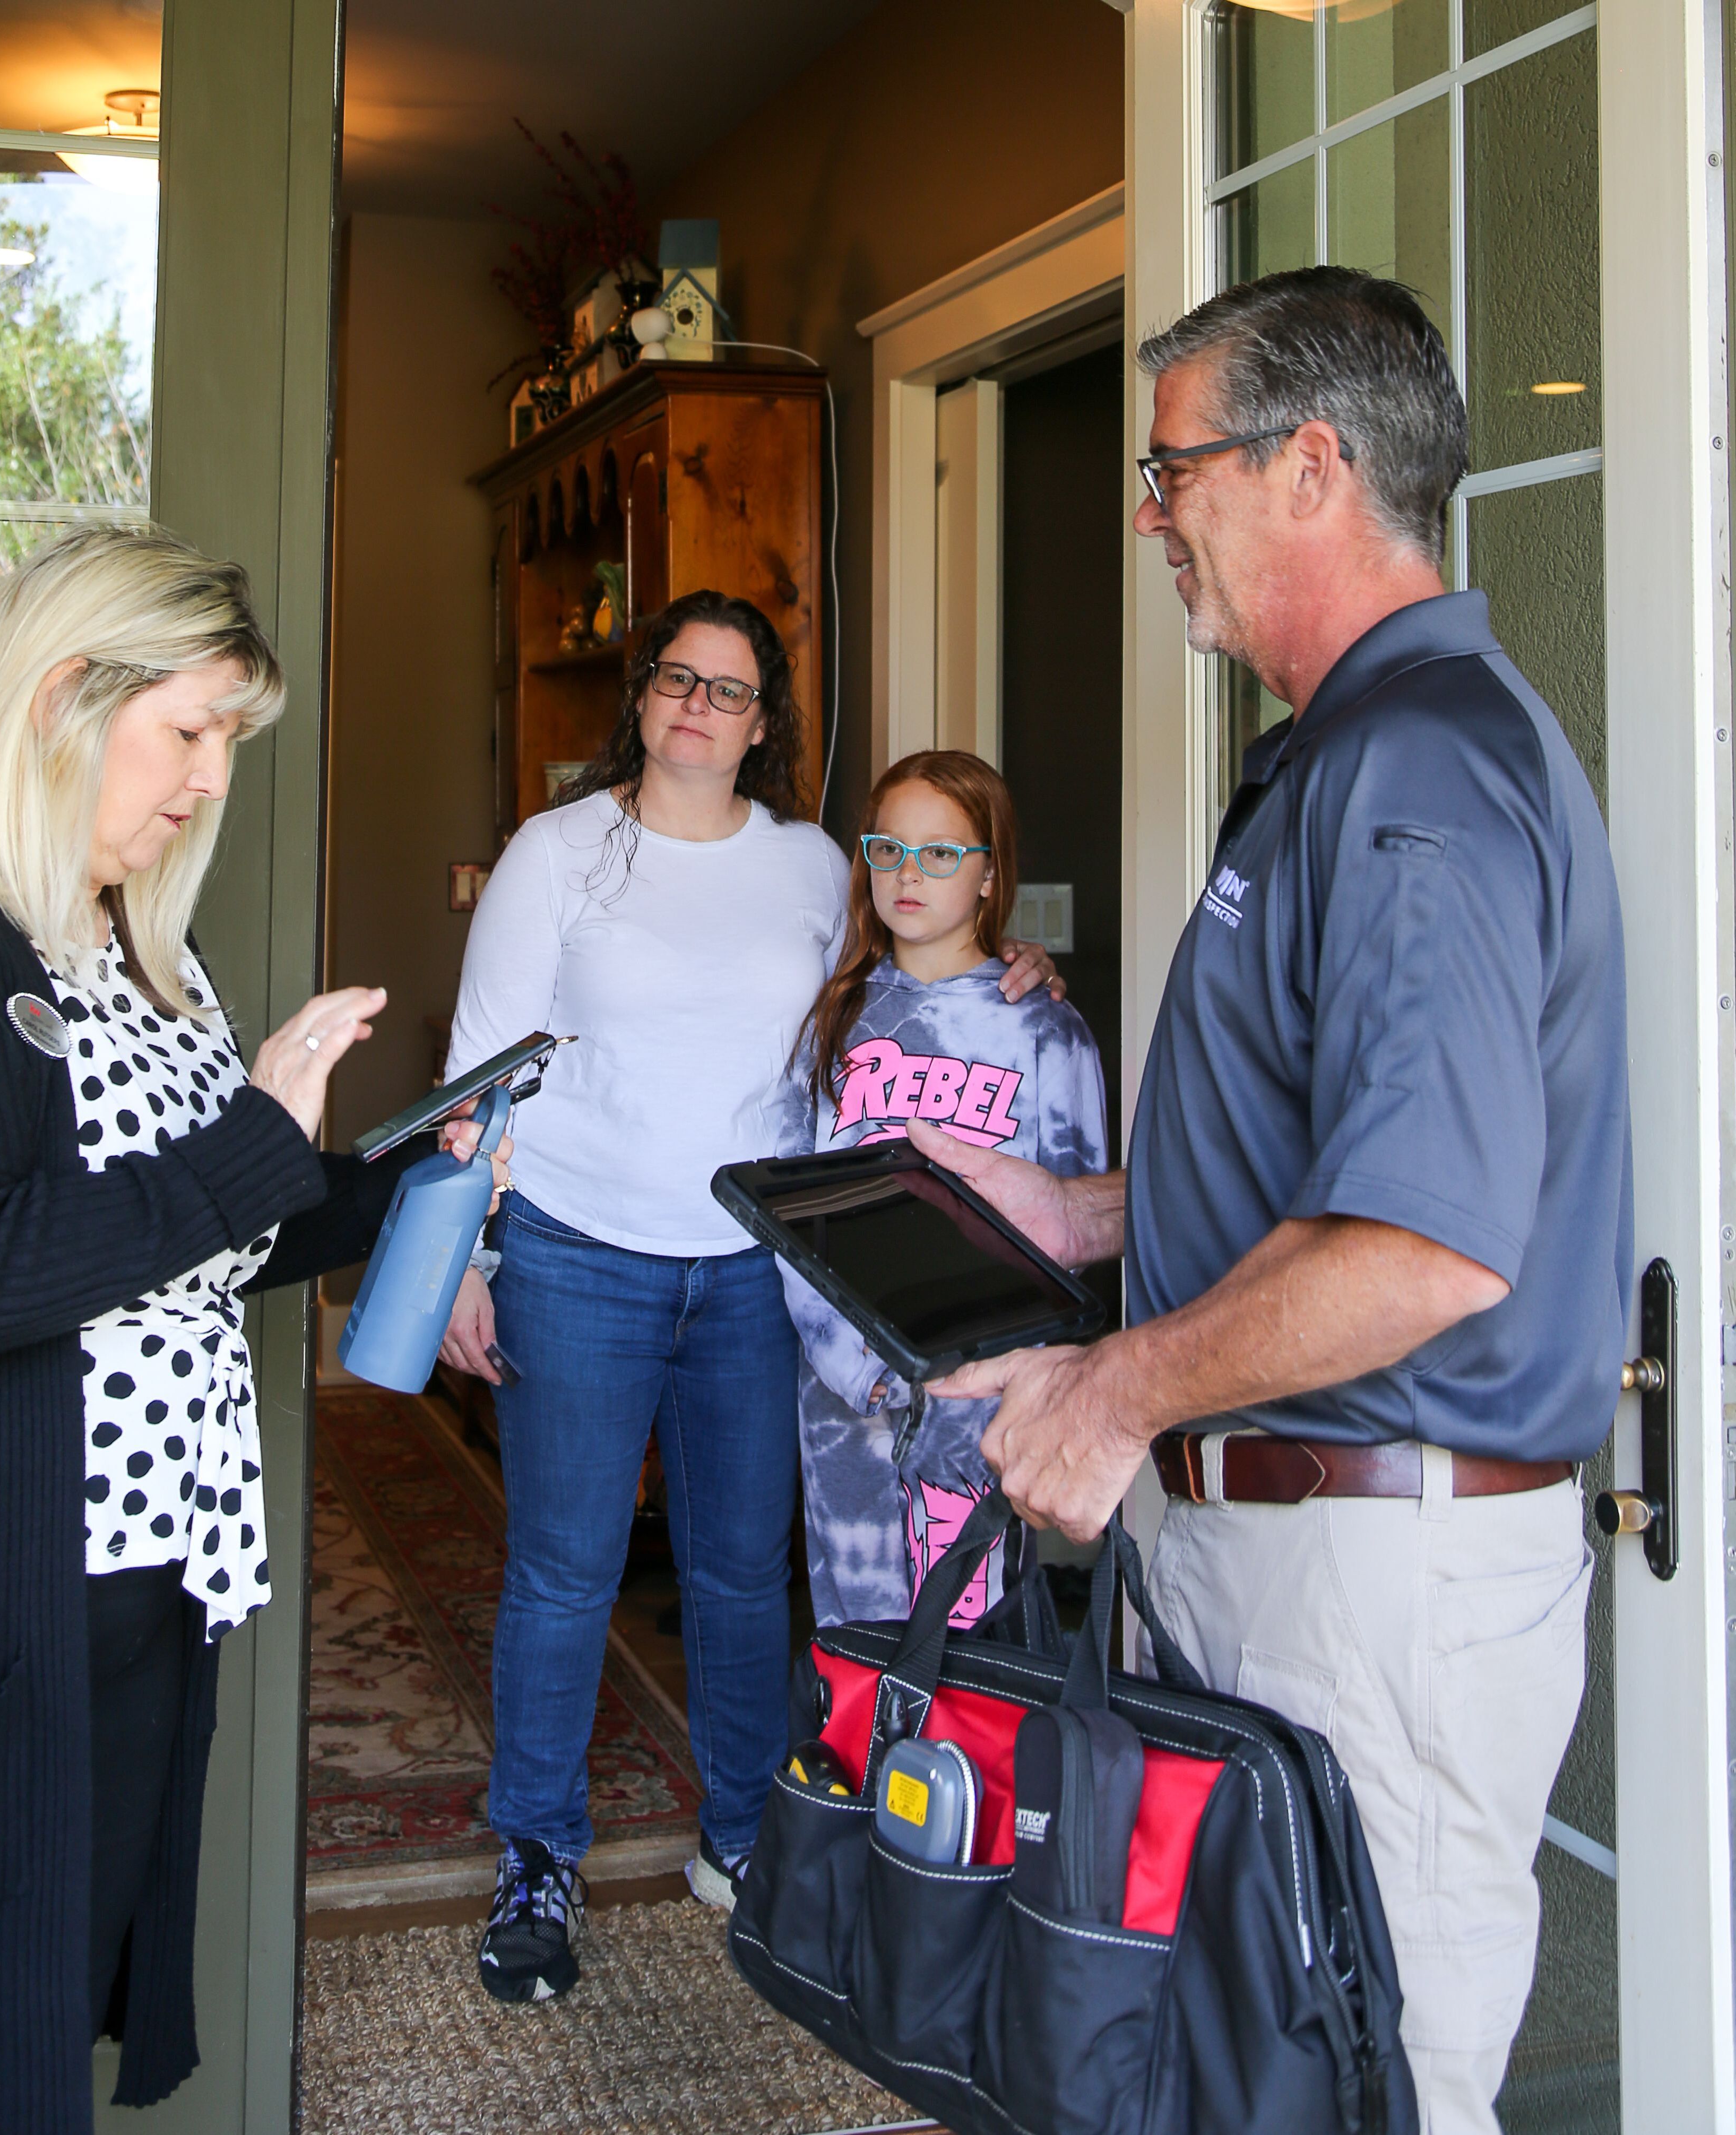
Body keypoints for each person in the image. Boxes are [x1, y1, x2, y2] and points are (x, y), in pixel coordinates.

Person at [923, 269, 1629, 2135]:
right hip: (1287, 1559)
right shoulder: (1345, 753)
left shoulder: (1416, 771)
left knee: (1350, 2101)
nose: (1152, 519)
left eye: (1171, 474)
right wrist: (1073, 1216)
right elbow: (1340, 1171)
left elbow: (1421, 1244)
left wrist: (1112, 1390)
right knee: (1236, 2088)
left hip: (1365, 1584)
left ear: (1310, 465)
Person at [0, 525, 503, 2132]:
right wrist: (250, 1156)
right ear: (67, 695)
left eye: (227, 743)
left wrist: (390, 1181)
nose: (210, 783)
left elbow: (194, 1240)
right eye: (192, 732)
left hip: (127, 1586)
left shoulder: (126, 938)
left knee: (24, 2031)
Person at [436, 590, 1060, 2004]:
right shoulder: (561, 853)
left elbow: (915, 950)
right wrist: (470, 1259)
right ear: (642, 697)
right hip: (574, 1249)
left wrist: (1016, 973)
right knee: (561, 1572)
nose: (698, 708)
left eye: (729, 690)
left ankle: (738, 1833)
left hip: (750, 1269)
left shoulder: (808, 867)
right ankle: (535, 1856)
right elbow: (486, 1071)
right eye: (676, 680)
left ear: (765, 723)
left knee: (735, 1575)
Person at [783, 749, 1107, 1628]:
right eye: (887, 849)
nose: (908, 874)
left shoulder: (1044, 1031)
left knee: (969, 1635)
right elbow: (787, 1207)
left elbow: (1072, 1230)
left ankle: (958, 1773)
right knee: (856, 1632)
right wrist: (853, 1366)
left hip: (984, 1398)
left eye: (940, 853)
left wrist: (1003, 1372)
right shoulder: (832, 1018)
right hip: (843, 1390)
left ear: (989, 872)